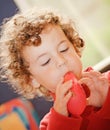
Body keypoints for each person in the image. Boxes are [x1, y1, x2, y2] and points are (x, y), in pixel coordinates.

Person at [0, 8, 110, 130]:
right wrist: (62, 120)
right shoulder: (50, 125)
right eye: (46, 61)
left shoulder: (107, 83)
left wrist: (107, 101)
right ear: (32, 80)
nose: (61, 61)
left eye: (64, 49)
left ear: (75, 48)